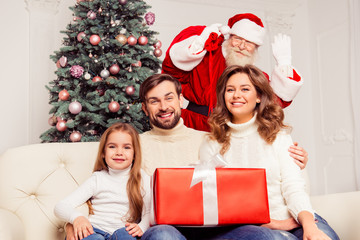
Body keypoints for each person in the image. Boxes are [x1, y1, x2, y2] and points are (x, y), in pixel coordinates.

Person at [65, 73, 309, 239]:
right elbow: (103, 188)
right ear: (144, 107)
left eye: (169, 98)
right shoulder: (131, 147)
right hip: (161, 227)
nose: (163, 107)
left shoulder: (211, 139)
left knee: (264, 236)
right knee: (164, 235)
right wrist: (74, 222)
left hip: (214, 229)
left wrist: (295, 159)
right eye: (154, 101)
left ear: (181, 100)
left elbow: (248, 170)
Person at [198, 64, 339, 239]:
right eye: (230, 90)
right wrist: (275, 224)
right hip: (249, 227)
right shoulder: (211, 143)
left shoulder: (278, 135)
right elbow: (216, 203)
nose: (236, 95)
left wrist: (308, 225)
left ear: (258, 96)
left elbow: (293, 186)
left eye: (245, 89)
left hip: (294, 216)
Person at [162, 13, 303, 132]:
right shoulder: (207, 56)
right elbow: (172, 73)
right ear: (229, 38)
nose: (242, 46)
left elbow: (276, 101)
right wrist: (199, 43)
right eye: (238, 39)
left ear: (256, 48)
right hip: (193, 124)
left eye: (249, 42)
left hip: (232, 129)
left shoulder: (254, 75)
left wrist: (284, 64)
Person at [54, 122, 151, 240]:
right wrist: (77, 218)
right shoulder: (97, 179)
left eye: (126, 147)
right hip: (94, 231)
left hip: (124, 232)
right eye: (112, 146)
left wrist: (142, 226)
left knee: (126, 236)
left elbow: (149, 210)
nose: (119, 152)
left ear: (135, 153)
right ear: (103, 153)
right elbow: (60, 206)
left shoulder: (142, 178)